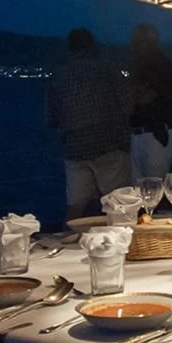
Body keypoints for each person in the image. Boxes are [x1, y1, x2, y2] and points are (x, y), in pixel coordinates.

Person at [46, 28, 131, 219]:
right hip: (109, 145)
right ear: (93, 46)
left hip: (75, 148)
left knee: (75, 209)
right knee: (119, 206)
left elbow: (51, 117)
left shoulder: (58, 76)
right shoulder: (107, 70)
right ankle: (123, 244)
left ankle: (68, 241)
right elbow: (127, 104)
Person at [127, 23, 172, 182]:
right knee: (141, 190)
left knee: (153, 188)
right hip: (140, 134)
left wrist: (131, 95)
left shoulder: (163, 67)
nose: (134, 45)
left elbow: (142, 97)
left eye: (138, 41)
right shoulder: (143, 66)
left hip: (156, 135)